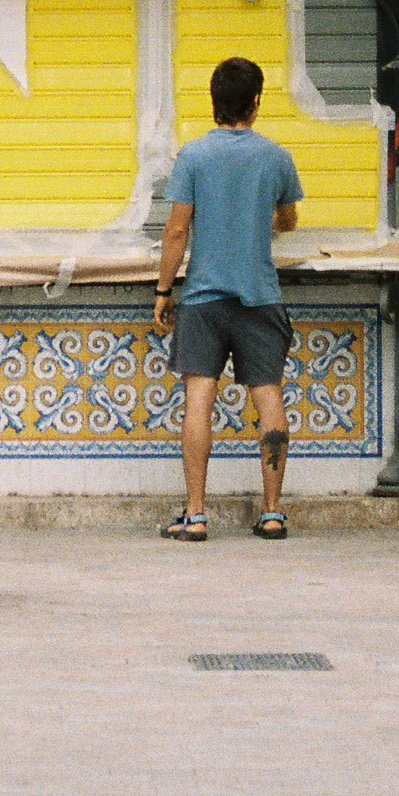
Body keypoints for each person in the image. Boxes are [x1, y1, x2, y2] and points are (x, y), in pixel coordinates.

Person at [154, 55, 303, 542]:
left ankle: (195, 514)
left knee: (199, 398)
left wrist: (162, 289)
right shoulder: (276, 157)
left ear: (215, 103)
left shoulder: (193, 157)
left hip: (202, 297)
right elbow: (288, 220)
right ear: (256, 101)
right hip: (260, 295)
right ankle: (274, 512)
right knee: (268, 396)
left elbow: (177, 230)